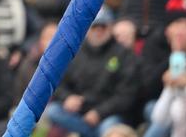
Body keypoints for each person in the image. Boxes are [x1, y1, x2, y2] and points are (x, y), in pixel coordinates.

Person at [46, 8, 139, 137]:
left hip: (109, 115)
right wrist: (67, 98)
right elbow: (59, 83)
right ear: (88, 28)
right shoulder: (76, 52)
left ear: (111, 27)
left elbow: (127, 95)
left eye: (103, 26)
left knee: (110, 130)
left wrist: (99, 112)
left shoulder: (124, 54)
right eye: (95, 26)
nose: (99, 31)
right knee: (52, 111)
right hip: (81, 113)